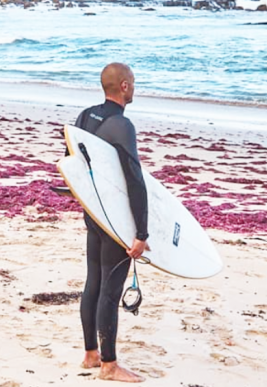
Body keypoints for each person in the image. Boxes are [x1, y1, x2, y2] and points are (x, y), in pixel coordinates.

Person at [73, 62, 149, 383]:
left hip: (94, 212)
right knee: (110, 289)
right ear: (124, 87)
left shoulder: (85, 116)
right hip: (116, 219)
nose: (135, 87)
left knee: (93, 281)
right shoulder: (122, 125)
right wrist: (141, 232)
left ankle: (91, 353)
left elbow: (74, 164)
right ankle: (109, 365)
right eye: (133, 82)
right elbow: (134, 179)